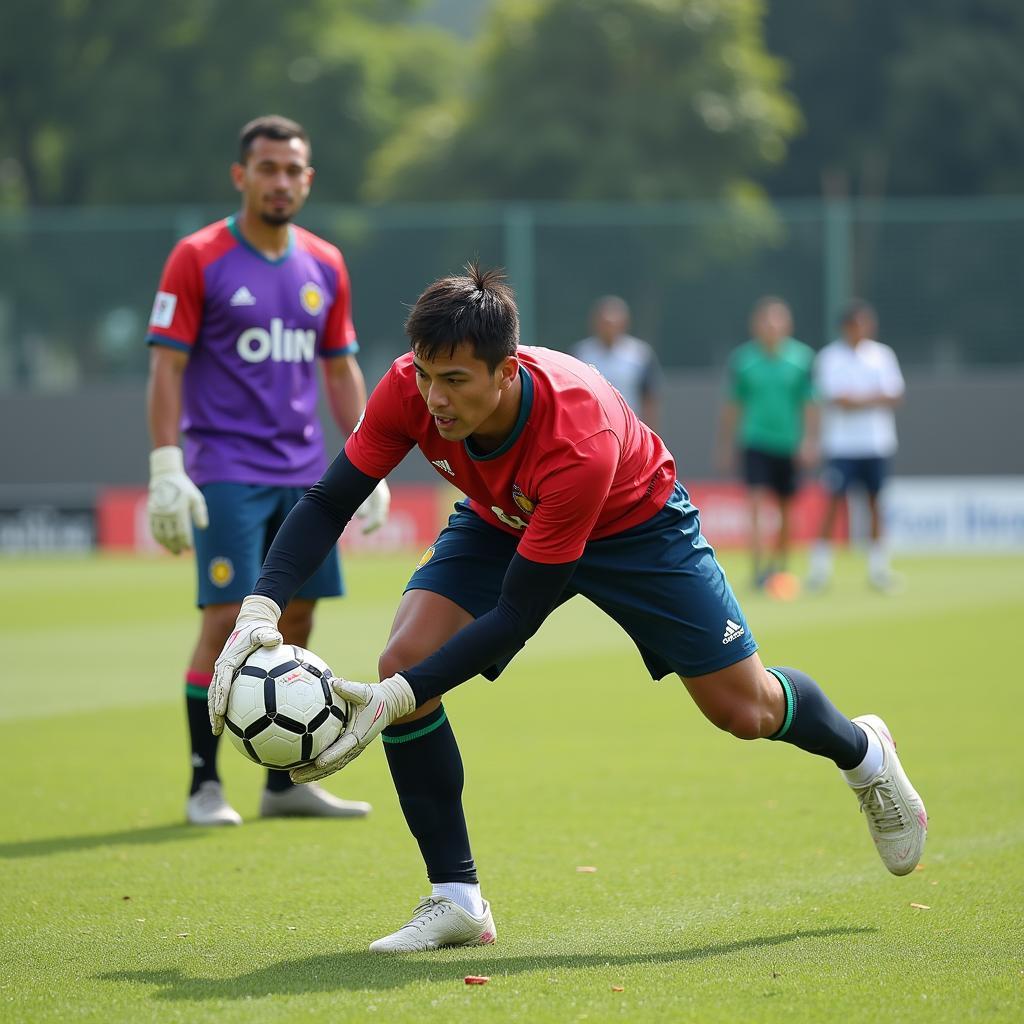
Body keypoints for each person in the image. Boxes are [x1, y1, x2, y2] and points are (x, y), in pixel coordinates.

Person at [209, 264, 927, 952]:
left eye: (455, 381)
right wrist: (258, 612)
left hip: (636, 528)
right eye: (426, 375)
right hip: (502, 518)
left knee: (747, 712)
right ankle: (457, 899)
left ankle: (863, 751)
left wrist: (391, 702)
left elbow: (517, 615)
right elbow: (332, 499)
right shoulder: (409, 387)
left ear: (508, 371)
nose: (434, 399)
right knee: (408, 658)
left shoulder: (578, 437)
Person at [145, 114, 389, 826]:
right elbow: (167, 364)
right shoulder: (197, 256)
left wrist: (367, 460)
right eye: (268, 168)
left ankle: (284, 785)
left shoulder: (325, 262)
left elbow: (340, 369)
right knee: (228, 619)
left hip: (307, 471)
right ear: (241, 176)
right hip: (225, 466)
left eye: (293, 171)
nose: (280, 181)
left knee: (302, 615)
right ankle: (203, 784)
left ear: (307, 181)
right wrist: (167, 463)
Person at [716, 297, 818, 588]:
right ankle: (759, 570)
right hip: (756, 440)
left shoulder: (802, 359)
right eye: (766, 320)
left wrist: (809, 440)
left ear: (788, 325)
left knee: (786, 508)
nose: (771, 326)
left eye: (777, 320)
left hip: (789, 443)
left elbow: (810, 403)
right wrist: (725, 444)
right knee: (757, 505)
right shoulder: (744, 361)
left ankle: (781, 567)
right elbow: (733, 406)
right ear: (756, 325)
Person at [806, 300, 905, 592]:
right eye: (854, 324)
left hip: (876, 444)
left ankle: (878, 570)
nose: (860, 329)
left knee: (876, 504)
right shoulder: (829, 357)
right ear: (845, 327)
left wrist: (857, 399)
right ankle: (820, 571)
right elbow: (837, 399)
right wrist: (872, 397)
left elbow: (894, 395)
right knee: (833, 504)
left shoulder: (882, 355)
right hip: (841, 445)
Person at [573, 296, 661, 428]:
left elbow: (649, 396)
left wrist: (650, 431)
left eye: (613, 323)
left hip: (630, 429)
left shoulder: (640, 354)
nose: (608, 328)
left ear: (624, 323)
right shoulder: (581, 353)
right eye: (604, 322)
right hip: (591, 428)